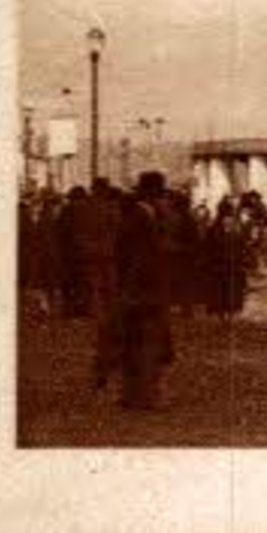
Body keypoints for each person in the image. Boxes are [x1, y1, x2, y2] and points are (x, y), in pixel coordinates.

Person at [104, 173, 175, 409]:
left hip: (142, 289)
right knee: (146, 344)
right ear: (153, 194)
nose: (164, 199)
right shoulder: (140, 218)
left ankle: (133, 395)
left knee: (137, 342)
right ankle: (144, 396)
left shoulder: (142, 215)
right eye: (161, 194)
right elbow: (137, 258)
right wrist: (130, 292)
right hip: (142, 291)